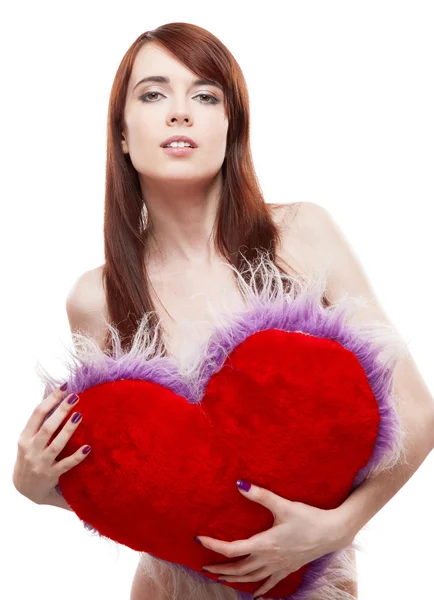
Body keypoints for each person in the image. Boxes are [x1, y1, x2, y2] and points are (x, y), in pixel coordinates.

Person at [25, 20, 434, 600]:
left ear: (230, 125)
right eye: (152, 93)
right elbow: (123, 480)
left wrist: (335, 527)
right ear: (122, 133)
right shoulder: (97, 297)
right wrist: (35, 486)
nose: (179, 112)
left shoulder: (301, 236)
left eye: (205, 95)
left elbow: (417, 413)